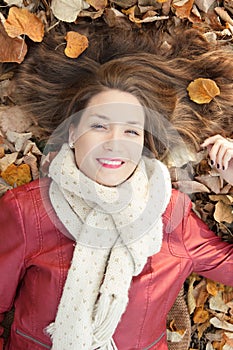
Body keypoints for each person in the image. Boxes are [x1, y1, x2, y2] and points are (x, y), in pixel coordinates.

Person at [0, 25, 233, 350]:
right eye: (99, 125)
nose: (114, 144)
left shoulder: (172, 218)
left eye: (130, 132)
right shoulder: (27, 213)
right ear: (71, 134)